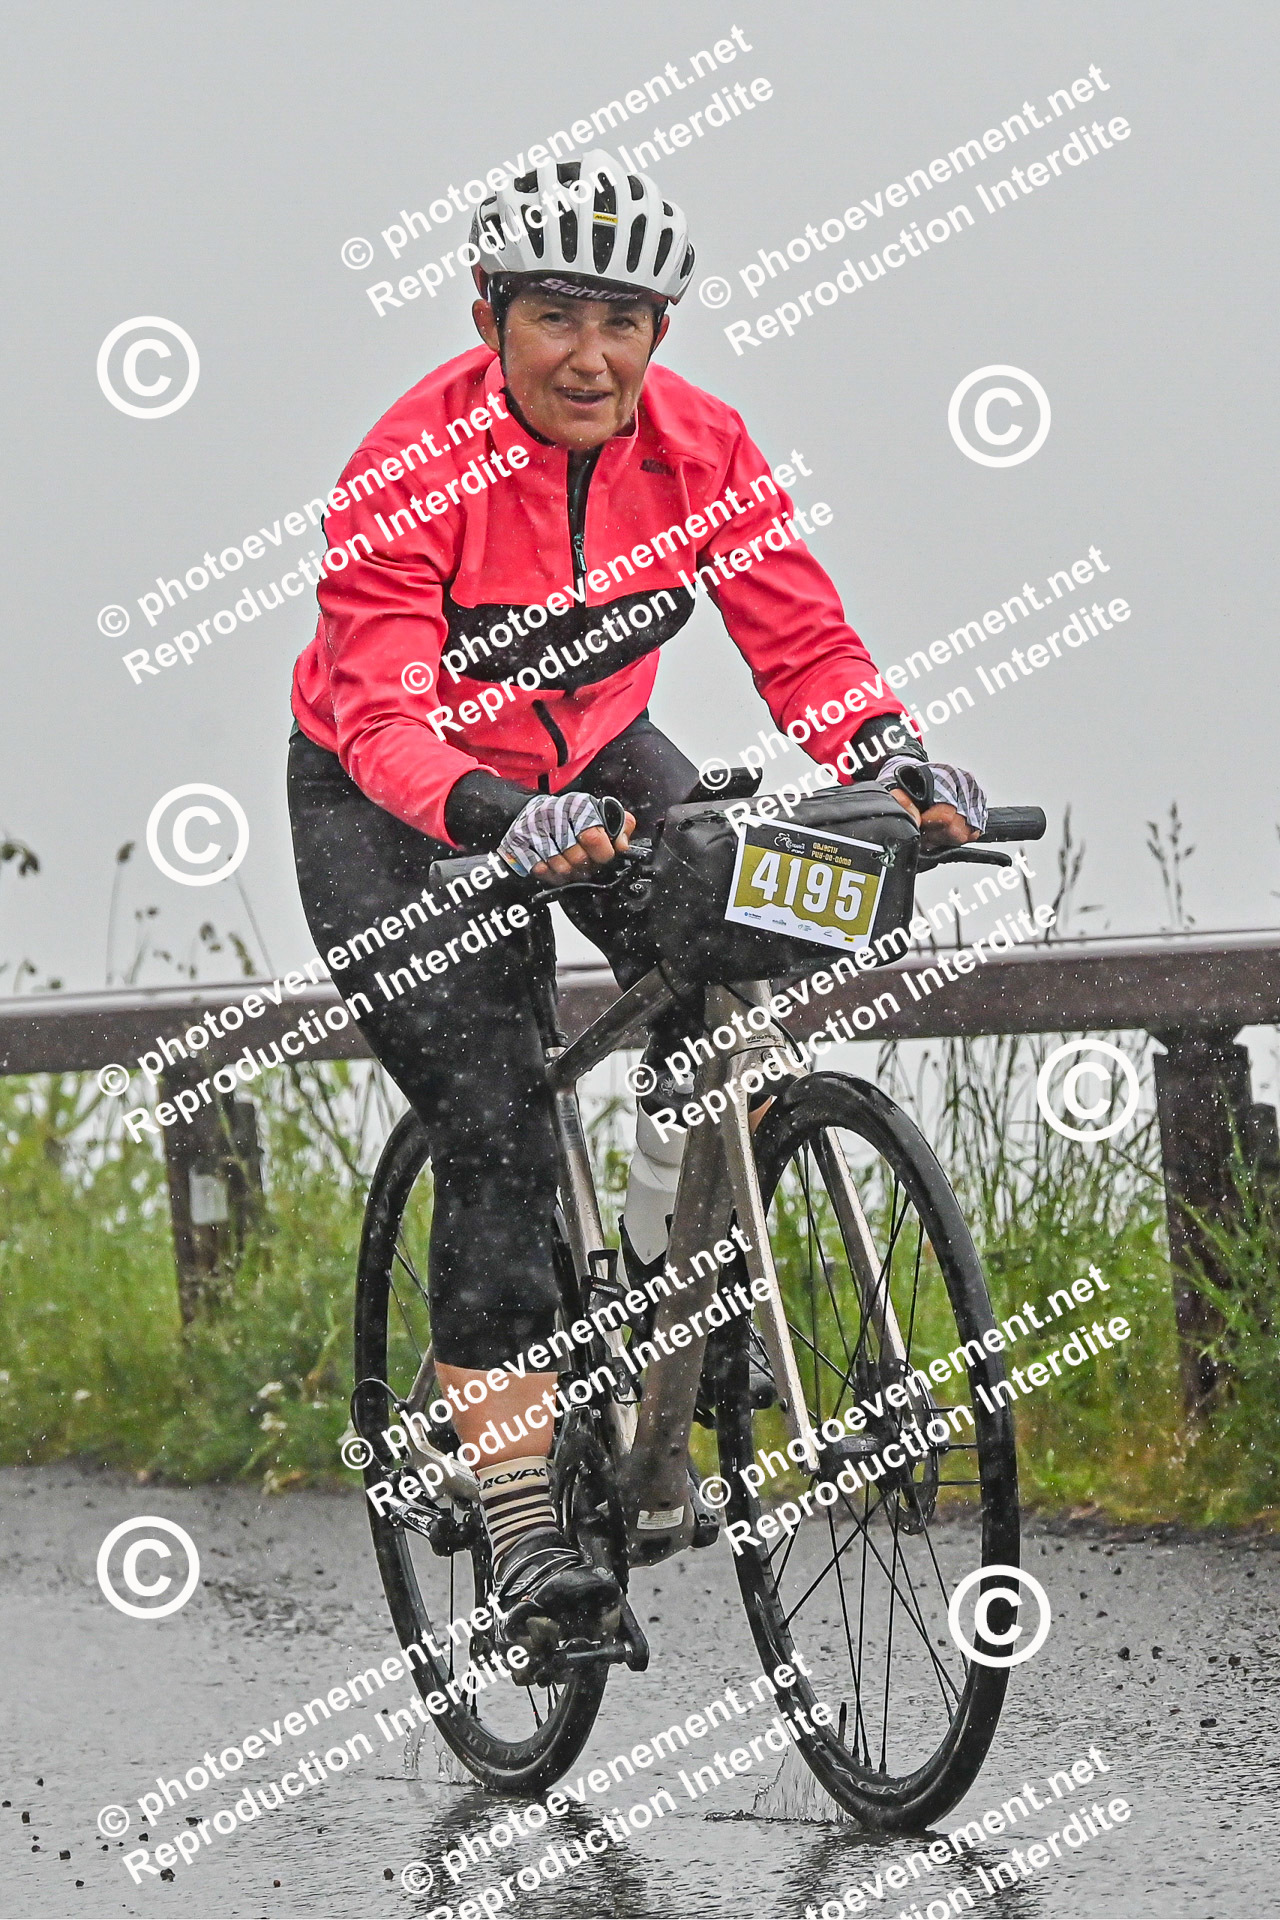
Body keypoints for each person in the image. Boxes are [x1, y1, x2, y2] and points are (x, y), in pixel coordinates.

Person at [288, 150, 986, 1650]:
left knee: (743, 954)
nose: (592, 356)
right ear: (490, 317)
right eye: (556, 315)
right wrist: (496, 817)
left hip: (597, 753)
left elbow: (802, 642)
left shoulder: (701, 447)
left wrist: (892, 757)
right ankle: (523, 1525)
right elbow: (381, 711)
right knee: (493, 1119)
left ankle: (684, 1312)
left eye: (625, 321)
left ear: (661, 331)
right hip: (390, 801)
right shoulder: (411, 464)